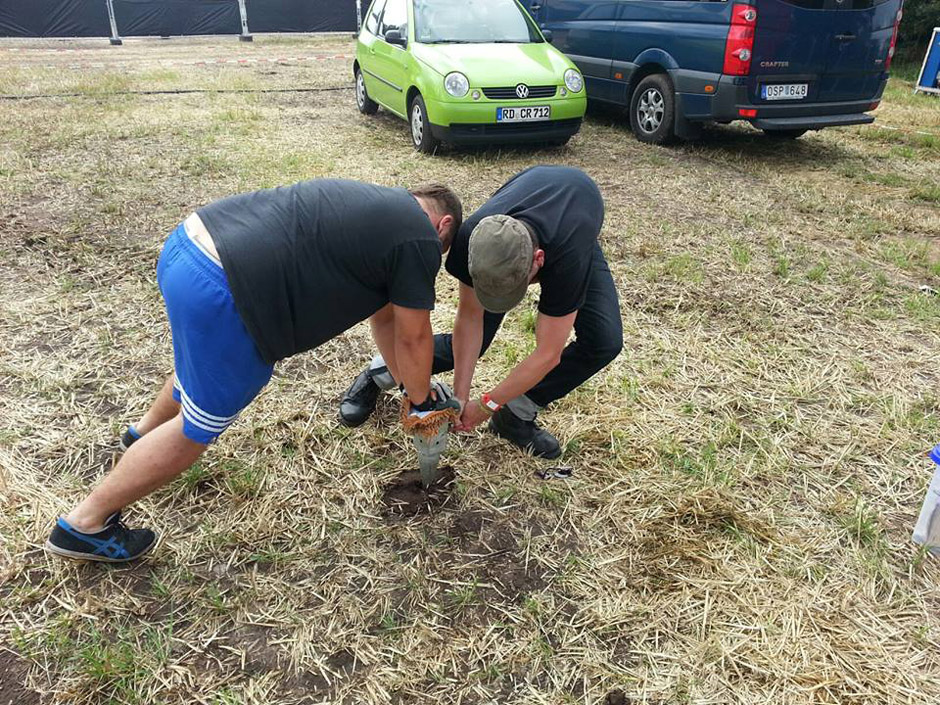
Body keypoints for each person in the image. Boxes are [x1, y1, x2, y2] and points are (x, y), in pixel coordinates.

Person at [45, 179, 462, 563]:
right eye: (440, 249)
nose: (432, 256)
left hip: (188, 246)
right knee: (198, 427)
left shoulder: (377, 211)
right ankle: (84, 524)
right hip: (227, 290)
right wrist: (423, 405)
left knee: (199, 368)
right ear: (443, 226)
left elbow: (387, 321)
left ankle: (139, 436)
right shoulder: (418, 237)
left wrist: (410, 387)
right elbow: (414, 338)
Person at [339, 166, 622, 459]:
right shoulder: (474, 238)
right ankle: (380, 372)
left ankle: (515, 416)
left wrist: (488, 405)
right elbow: (470, 319)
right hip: (518, 228)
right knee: (478, 338)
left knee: (603, 341)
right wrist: (461, 396)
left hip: (573, 227)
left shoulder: (567, 262)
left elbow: (548, 353)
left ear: (539, 262)